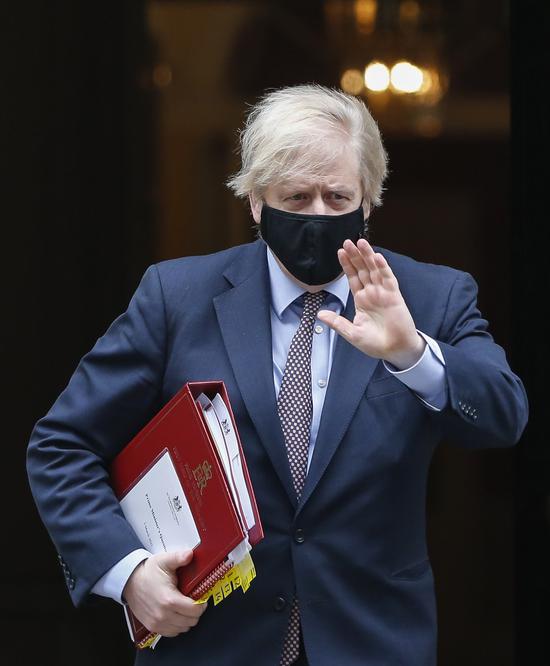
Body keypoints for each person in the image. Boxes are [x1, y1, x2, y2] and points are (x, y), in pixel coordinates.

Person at [27, 84, 528, 666]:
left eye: (337, 196)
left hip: (373, 643)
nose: (317, 215)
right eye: (296, 196)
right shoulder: (177, 298)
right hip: (210, 645)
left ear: (368, 201)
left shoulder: (431, 296)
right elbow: (62, 445)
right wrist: (129, 573)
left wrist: (412, 352)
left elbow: (503, 416)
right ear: (256, 202)